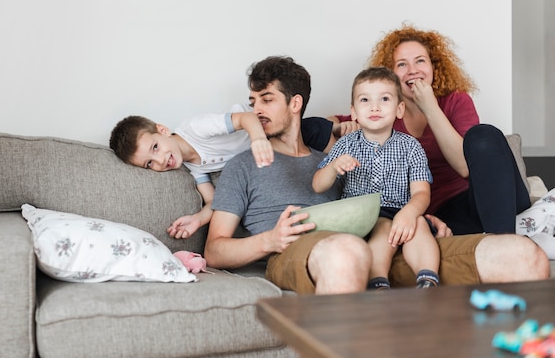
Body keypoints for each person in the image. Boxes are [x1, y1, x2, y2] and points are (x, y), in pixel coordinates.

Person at [204, 55, 549, 295]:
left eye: (266, 100)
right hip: (304, 252)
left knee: (521, 254)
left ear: (295, 104)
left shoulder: (335, 154)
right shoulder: (243, 165)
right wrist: (269, 240)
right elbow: (215, 251)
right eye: (252, 103)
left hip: (382, 247)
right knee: (345, 250)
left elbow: (377, 197)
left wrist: (419, 214)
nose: (256, 111)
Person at [329, 24, 531, 235]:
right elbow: (318, 125)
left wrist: (431, 108)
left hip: (483, 198)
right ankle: (496, 238)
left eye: (420, 61)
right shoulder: (382, 114)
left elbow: (464, 167)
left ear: (434, 67)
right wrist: (340, 126)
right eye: (402, 64)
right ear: (391, 76)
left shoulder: (456, 101)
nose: (413, 70)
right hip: (441, 213)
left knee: (484, 133)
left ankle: (504, 242)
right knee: (431, 229)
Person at [312, 67, 439, 289]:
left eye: (385, 99)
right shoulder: (346, 144)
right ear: (353, 112)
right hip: (363, 215)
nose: (375, 107)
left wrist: (409, 213)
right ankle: (378, 282)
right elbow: (318, 185)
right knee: (382, 227)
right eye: (365, 100)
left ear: (399, 109)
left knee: (419, 223)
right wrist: (333, 167)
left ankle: (428, 280)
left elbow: (421, 192)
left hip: (402, 209)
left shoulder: (411, 147)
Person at [109, 107, 274, 239]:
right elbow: (214, 201)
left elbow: (246, 117)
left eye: (155, 147)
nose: (160, 160)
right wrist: (198, 219)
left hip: (267, 125)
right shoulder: (192, 169)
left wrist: (258, 139)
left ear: (163, 130)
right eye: (149, 163)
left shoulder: (195, 128)